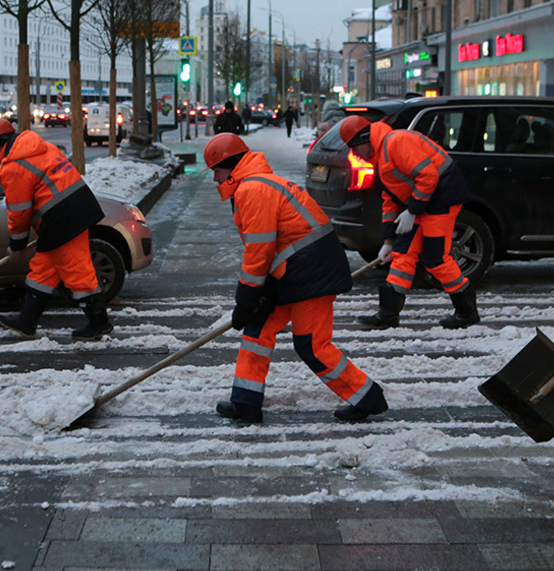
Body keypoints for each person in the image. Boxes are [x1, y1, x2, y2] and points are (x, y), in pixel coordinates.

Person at [204, 133, 388, 424]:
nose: (214, 178)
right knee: (257, 329)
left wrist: (248, 294)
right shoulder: (256, 184)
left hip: (312, 271)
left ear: (230, 164)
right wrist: (260, 292)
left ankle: (367, 397)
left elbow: (259, 249)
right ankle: (246, 402)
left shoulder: (253, 189)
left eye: (216, 169)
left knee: (312, 345)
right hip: (294, 270)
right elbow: (272, 247)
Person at [338, 115, 478, 330]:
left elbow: (428, 176)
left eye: (353, 148)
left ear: (363, 141)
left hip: (442, 198)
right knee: (402, 253)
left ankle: (467, 311)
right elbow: (390, 200)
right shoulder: (380, 158)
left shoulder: (396, 142)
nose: (353, 154)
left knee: (436, 258)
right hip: (423, 201)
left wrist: (413, 210)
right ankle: (388, 314)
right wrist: (388, 240)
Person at [0, 118, 112, 340]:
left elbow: (19, 213)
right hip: (74, 209)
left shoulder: (13, 168)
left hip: (63, 219)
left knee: (77, 271)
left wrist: (17, 245)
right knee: (43, 270)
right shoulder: (40, 146)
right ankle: (27, 320)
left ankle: (99, 322)